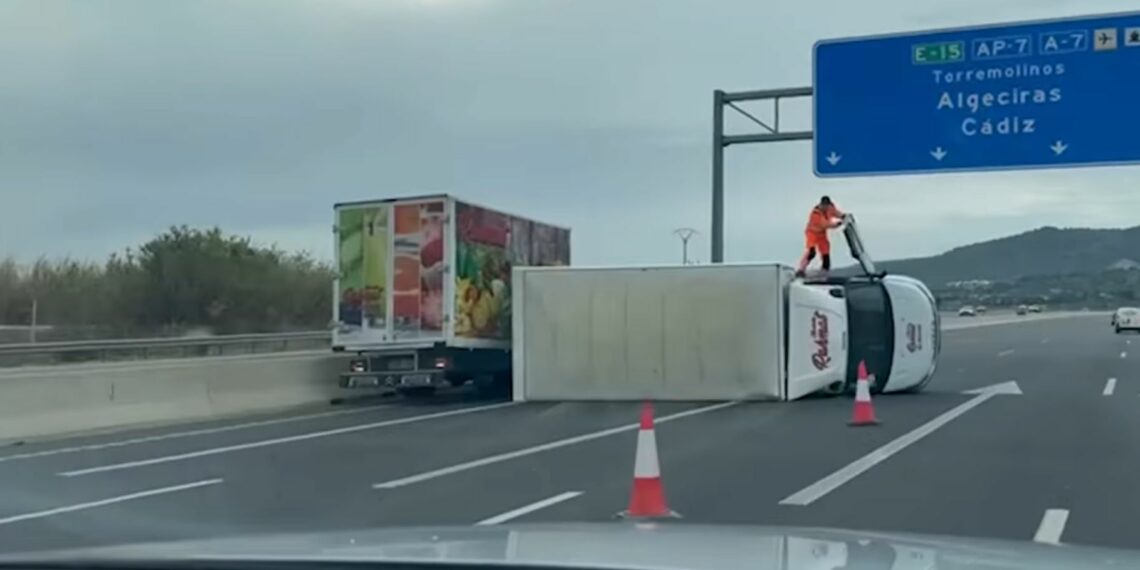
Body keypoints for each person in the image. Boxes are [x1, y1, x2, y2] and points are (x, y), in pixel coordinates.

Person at [796, 196, 844, 277]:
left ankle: (824, 271)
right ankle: (801, 270)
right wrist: (837, 224)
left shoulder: (830, 208)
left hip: (822, 234)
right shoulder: (815, 214)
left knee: (826, 253)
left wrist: (843, 216)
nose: (826, 208)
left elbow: (836, 213)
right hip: (812, 233)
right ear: (821, 204)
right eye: (824, 205)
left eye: (827, 205)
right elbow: (825, 224)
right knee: (811, 252)